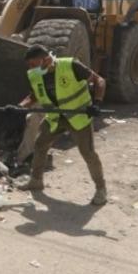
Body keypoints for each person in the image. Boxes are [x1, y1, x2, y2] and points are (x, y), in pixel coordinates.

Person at [18, 44, 108, 206]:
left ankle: (101, 189)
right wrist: (19, 106)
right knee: (40, 145)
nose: (31, 68)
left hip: (78, 117)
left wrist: (97, 103)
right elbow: (34, 96)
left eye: (33, 64)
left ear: (46, 59)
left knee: (88, 153)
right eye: (29, 65)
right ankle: (36, 180)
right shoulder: (35, 75)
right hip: (55, 117)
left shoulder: (70, 65)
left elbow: (99, 80)